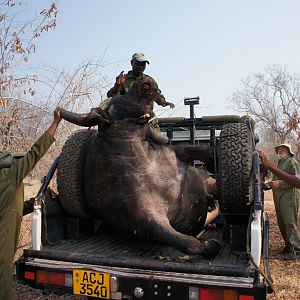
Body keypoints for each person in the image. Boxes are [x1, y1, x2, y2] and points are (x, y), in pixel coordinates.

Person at [0, 108, 62, 299]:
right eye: (17, 159)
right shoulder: (10, 176)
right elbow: (35, 153)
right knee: (3, 279)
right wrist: (55, 123)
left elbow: (15, 207)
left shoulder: (7, 182)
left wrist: (38, 202)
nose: (21, 161)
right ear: (11, 163)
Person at [107, 52, 175, 131]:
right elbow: (112, 97)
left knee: (158, 137)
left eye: (143, 64)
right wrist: (117, 85)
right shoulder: (123, 79)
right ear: (131, 63)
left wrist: (164, 102)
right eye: (138, 64)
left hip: (147, 117)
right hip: (127, 118)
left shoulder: (149, 80)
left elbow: (157, 95)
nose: (141, 67)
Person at [259, 144, 300, 259]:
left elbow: (297, 180)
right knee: (282, 222)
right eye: (278, 149)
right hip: (279, 196)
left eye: (283, 149)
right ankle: (288, 247)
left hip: (289, 196)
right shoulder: (281, 163)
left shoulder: (292, 162)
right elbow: (275, 181)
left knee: (290, 222)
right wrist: (265, 185)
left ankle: (296, 250)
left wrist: (281, 184)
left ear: (289, 151)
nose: (280, 150)